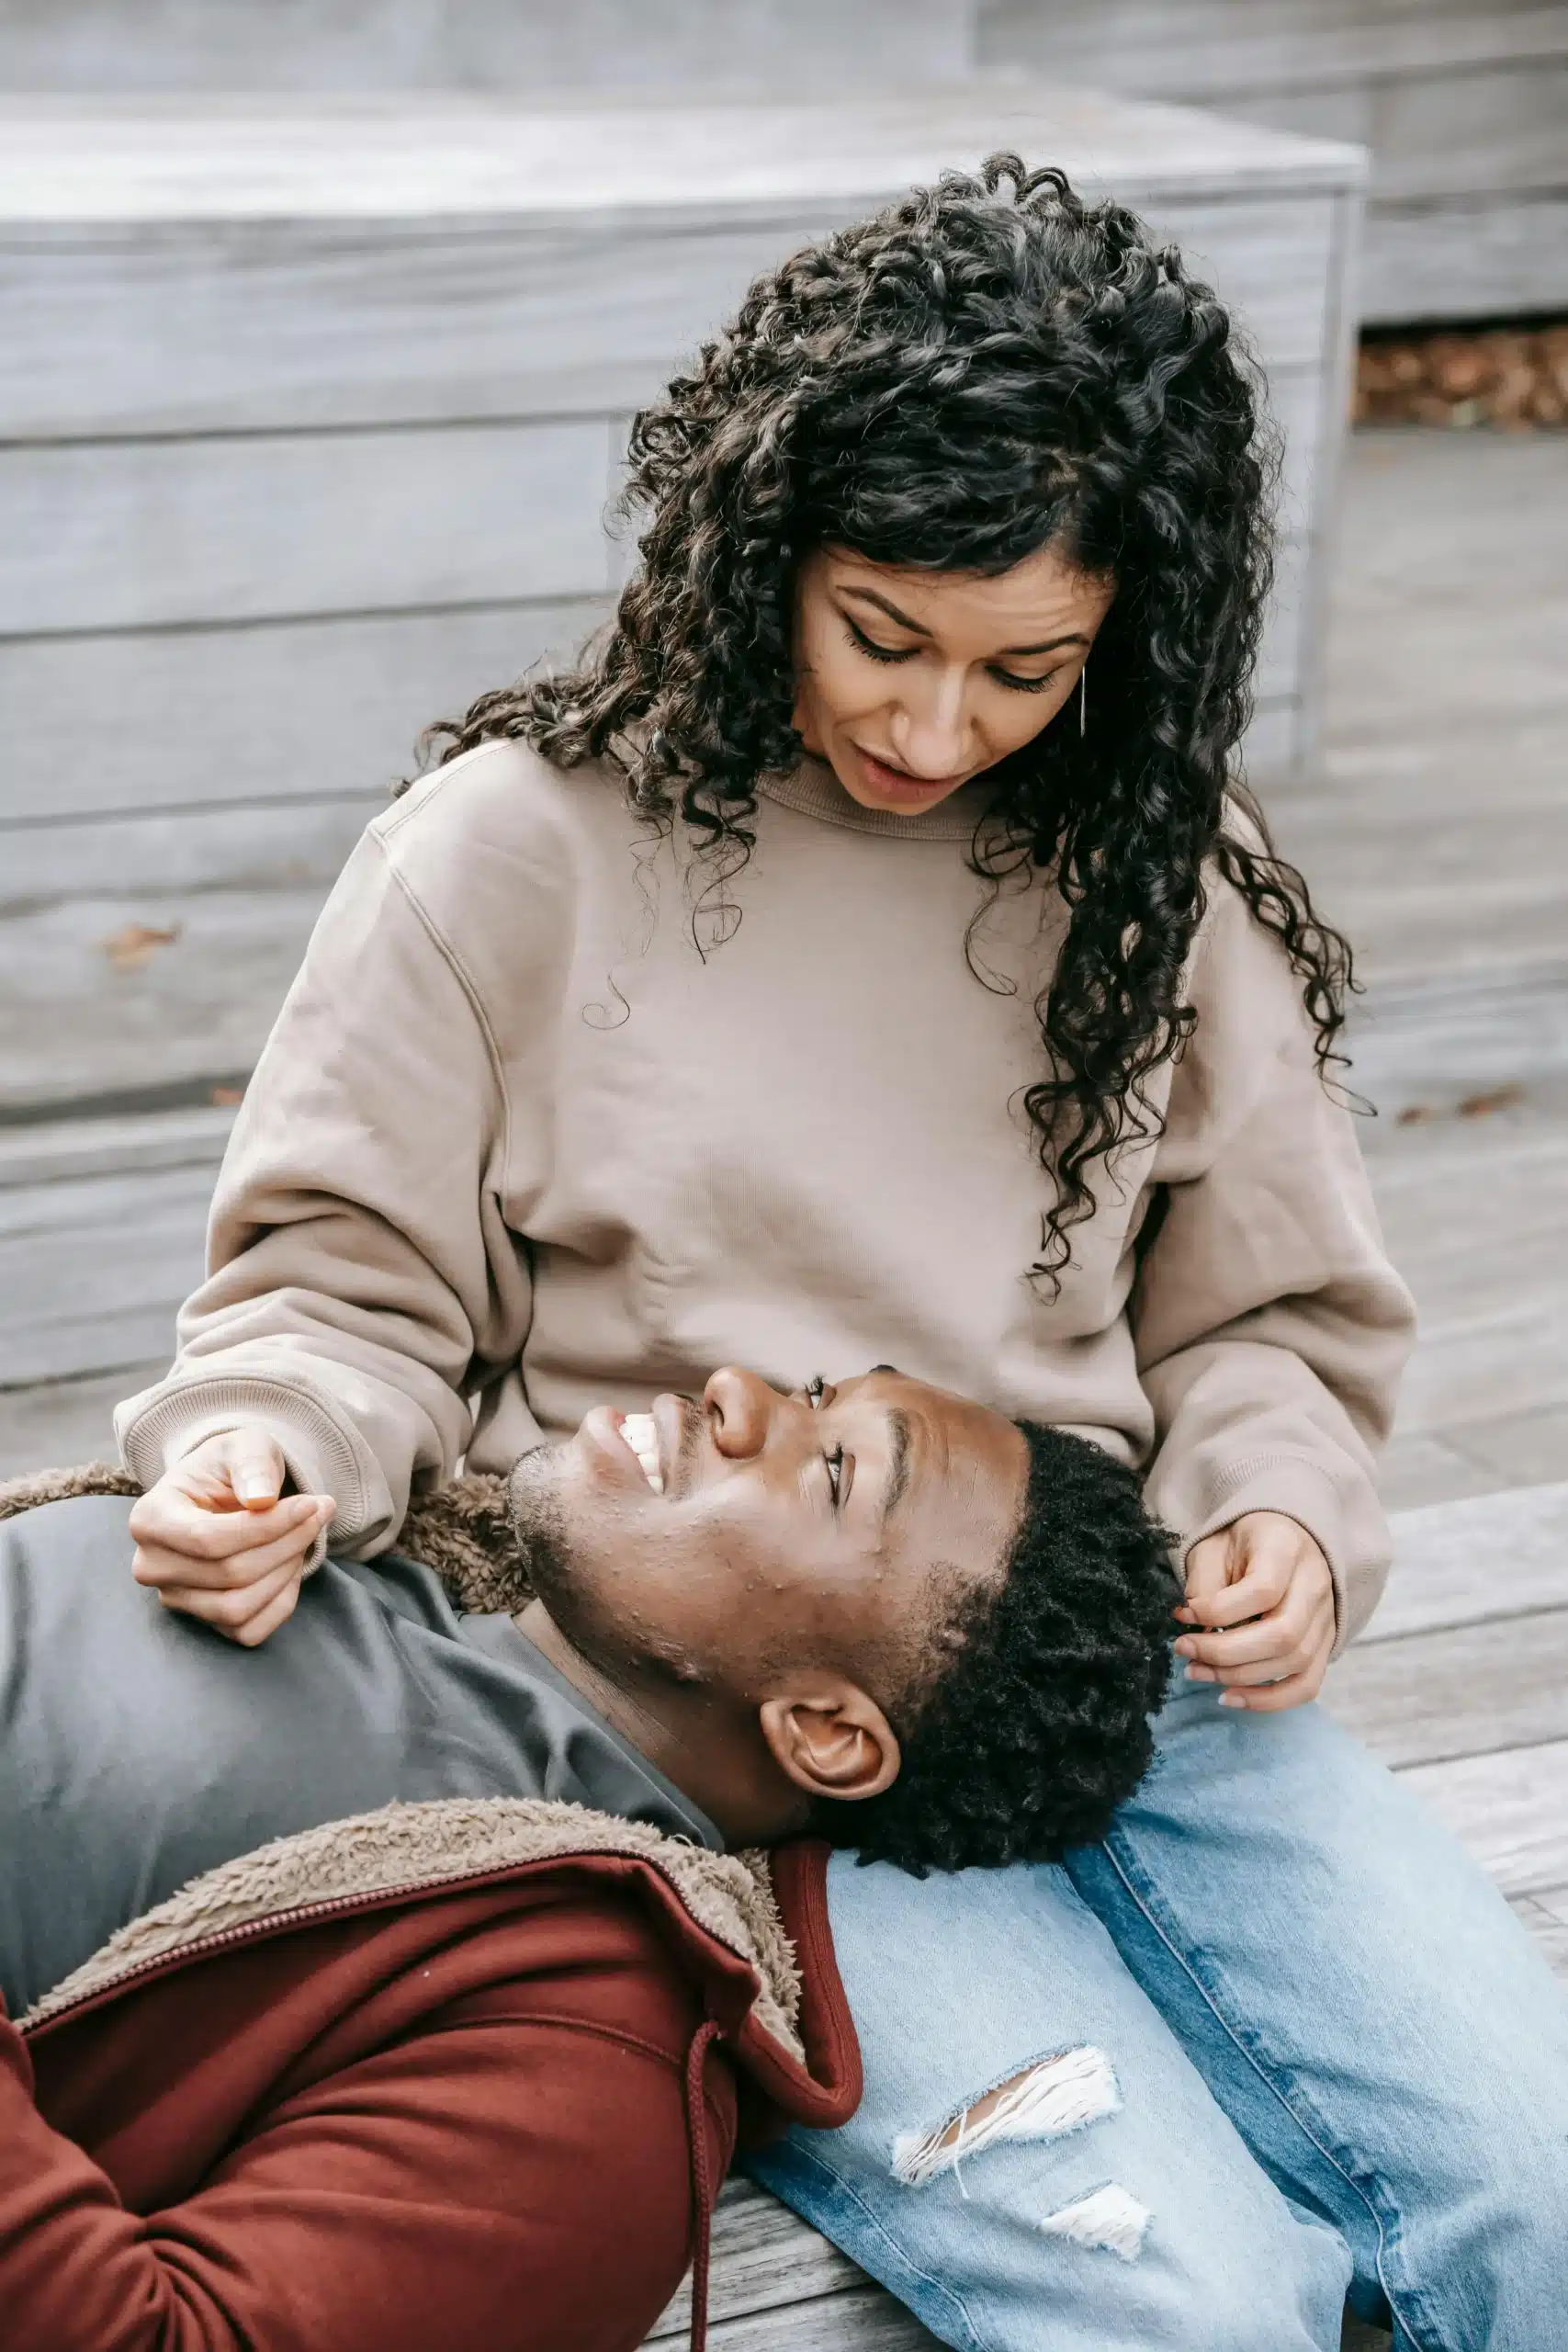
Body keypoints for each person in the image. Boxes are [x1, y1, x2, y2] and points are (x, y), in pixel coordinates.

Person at [111, 157, 1567, 2346]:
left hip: (1110, 1650)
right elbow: (333, 1279)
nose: (926, 727)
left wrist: (1273, 1500)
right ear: (759, 547)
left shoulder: (1149, 867)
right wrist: (267, 1440)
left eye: (1022, 670)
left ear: (1122, 644)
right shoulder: (516, 848)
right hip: (738, 1705)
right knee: (1169, 2301)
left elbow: (1264, 1306)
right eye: (879, 634)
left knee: (1533, 2189)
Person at [1, 1363, 1174, 2352]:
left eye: (831, 1474)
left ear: (825, 1731)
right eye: (816, 1391)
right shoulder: (356, 1524)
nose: (736, 1391)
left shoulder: (592, 2072)